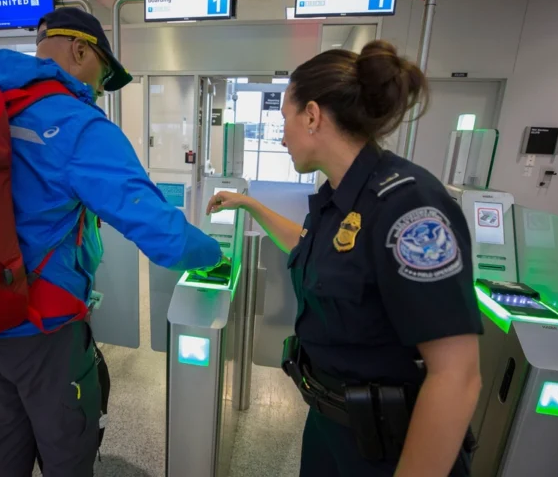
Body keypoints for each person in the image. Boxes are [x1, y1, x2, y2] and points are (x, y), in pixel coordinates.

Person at [0, 8, 225, 477]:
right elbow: (163, 235)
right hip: (41, 324)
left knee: (8, 426)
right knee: (68, 440)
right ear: (80, 49)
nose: (100, 91)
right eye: (103, 77)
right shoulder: (76, 124)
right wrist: (214, 254)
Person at [206, 40, 482, 477]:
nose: (281, 135)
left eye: (285, 120)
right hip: (330, 424)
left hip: (389, 445)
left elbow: (458, 375)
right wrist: (249, 204)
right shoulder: (340, 200)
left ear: (312, 116)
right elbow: (312, 248)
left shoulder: (409, 206)